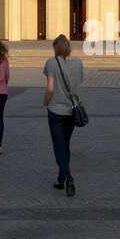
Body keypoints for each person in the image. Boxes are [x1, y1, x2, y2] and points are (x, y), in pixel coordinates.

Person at [43, 33, 84, 197]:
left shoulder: (51, 63)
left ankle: (68, 176)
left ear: (55, 48)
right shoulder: (78, 63)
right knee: (65, 143)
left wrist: (45, 102)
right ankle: (60, 179)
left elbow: (50, 88)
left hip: (55, 110)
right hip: (71, 110)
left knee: (58, 146)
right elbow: (78, 83)